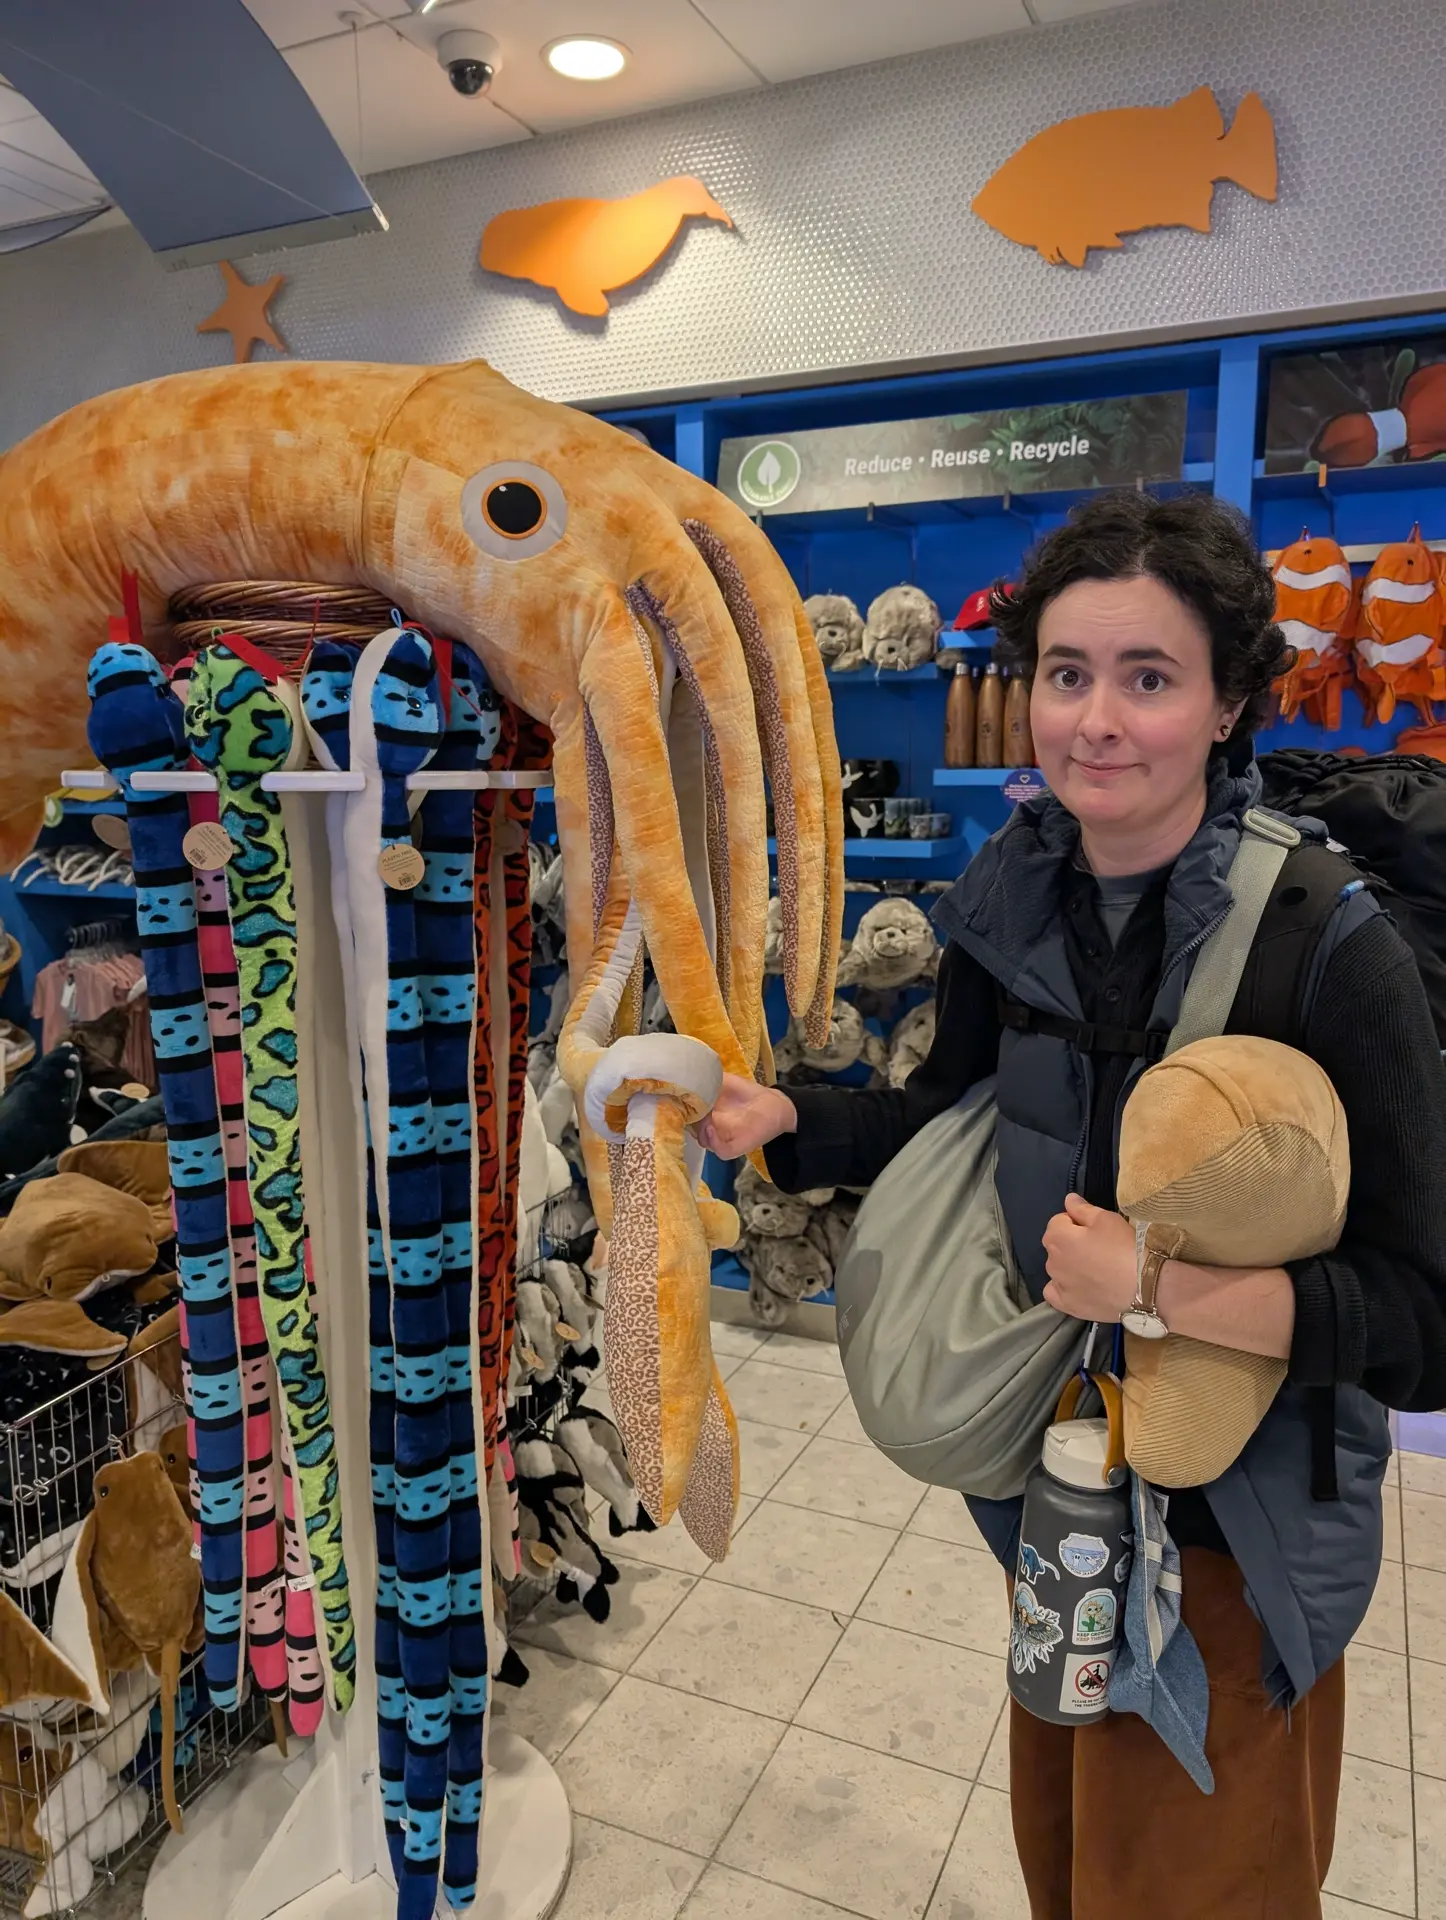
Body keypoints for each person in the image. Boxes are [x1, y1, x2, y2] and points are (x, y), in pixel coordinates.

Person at [699, 491, 1446, 1919]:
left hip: (1240, 1526)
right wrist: (788, 1119)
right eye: (1064, 673)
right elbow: (953, 1120)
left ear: (1230, 705)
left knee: (1197, 1879)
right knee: (1071, 1850)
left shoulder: (1325, 943)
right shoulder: (1011, 896)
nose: (1094, 721)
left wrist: (1159, 1291)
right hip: (1059, 1490)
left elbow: (1424, 1319)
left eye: (1148, 678)